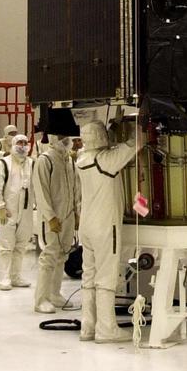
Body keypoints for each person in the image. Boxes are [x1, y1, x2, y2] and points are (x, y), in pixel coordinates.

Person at [75, 119, 138, 342]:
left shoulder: (81, 159)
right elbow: (134, 144)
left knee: (89, 276)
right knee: (106, 277)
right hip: (105, 226)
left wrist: (110, 132)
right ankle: (106, 329)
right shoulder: (106, 161)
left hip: (87, 225)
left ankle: (88, 327)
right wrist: (139, 126)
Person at [32, 132, 79, 314]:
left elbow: (75, 188)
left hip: (68, 215)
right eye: (61, 135)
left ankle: (55, 293)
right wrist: (50, 217)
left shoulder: (68, 160)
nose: (66, 139)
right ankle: (41, 299)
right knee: (49, 256)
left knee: (63, 254)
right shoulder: (45, 160)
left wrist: (76, 213)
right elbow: (41, 191)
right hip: (52, 217)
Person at [0, 131, 34, 290]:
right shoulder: (4, 163)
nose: (22, 146)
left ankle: (16, 276)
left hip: (27, 210)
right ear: (13, 145)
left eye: (24, 143)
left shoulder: (31, 163)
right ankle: (4, 278)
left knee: (21, 245)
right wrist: (0, 206)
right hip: (8, 211)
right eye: (19, 143)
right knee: (6, 246)